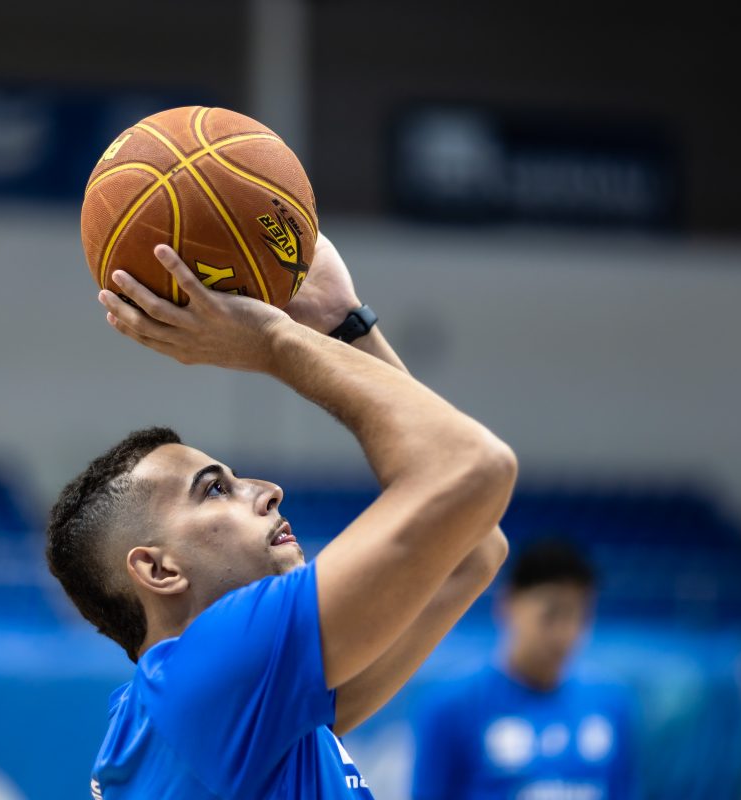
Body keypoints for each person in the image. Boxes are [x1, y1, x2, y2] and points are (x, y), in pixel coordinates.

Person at [45, 234, 517, 799]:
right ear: (158, 569)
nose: (269, 491)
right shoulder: (213, 673)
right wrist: (272, 341)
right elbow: (474, 469)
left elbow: (472, 550)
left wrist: (342, 323)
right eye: (215, 490)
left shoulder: (222, 710)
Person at [411, 540, 640, 800]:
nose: (566, 633)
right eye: (551, 614)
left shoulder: (612, 703)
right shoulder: (452, 705)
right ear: (508, 604)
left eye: (580, 615)